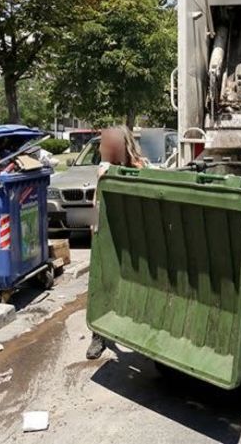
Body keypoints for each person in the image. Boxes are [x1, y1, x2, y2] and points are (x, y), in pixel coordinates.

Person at [86, 125, 146, 360]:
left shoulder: (141, 167)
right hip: (109, 236)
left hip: (134, 237)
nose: (102, 148)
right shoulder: (103, 169)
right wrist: (94, 230)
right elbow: (96, 203)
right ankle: (98, 335)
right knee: (101, 285)